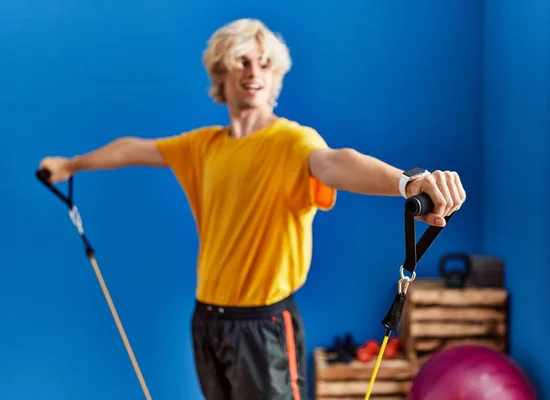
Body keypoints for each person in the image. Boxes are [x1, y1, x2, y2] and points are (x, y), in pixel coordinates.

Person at [38, 18, 466, 400]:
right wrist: (71, 165)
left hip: (264, 329)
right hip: (207, 319)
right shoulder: (202, 147)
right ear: (220, 73)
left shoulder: (293, 142)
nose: (254, 72)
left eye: (264, 63)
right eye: (242, 61)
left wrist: (407, 183)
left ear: (275, 76)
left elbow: (338, 162)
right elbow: (133, 149)